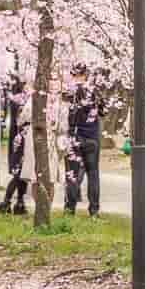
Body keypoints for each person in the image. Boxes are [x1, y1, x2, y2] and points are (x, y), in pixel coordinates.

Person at [64, 64, 107, 216]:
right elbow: (103, 111)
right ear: (86, 74)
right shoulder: (95, 91)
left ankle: (70, 208)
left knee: (72, 175)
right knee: (93, 174)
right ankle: (94, 210)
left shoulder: (69, 92)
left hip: (75, 137)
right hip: (92, 138)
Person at [0, 75, 30, 216]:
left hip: (24, 140)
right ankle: (7, 202)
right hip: (21, 140)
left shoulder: (19, 100)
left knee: (24, 173)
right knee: (19, 173)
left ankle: (19, 202)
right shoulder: (19, 101)